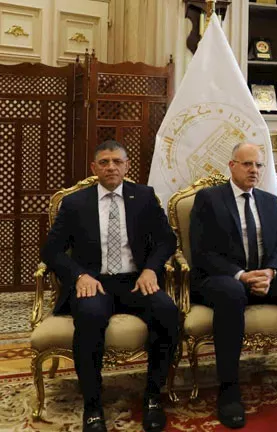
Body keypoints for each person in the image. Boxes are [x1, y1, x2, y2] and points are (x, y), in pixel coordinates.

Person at [189, 142, 277, 429]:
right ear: (232, 166)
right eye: (247, 164)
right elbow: (202, 253)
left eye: (258, 165)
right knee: (232, 294)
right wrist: (241, 275)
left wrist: (271, 272)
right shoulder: (209, 198)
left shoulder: (268, 200)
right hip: (221, 279)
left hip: (262, 276)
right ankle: (229, 388)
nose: (253, 170)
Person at [41, 140, 178, 432]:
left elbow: (167, 240)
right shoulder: (75, 203)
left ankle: (153, 396)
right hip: (95, 282)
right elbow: (51, 251)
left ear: (127, 166)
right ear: (94, 168)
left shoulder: (144, 196)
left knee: (167, 311)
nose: (111, 167)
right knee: (90, 317)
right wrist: (79, 276)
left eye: (117, 161)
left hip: (135, 280)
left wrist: (151, 270)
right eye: (104, 162)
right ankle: (92, 406)